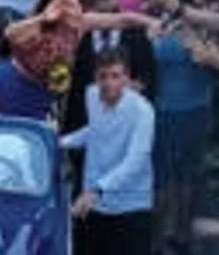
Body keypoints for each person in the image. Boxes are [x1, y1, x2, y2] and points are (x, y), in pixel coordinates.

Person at [0, 0, 162, 120]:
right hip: (17, 83)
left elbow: (122, 20)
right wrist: (43, 18)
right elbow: (9, 33)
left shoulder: (81, 23)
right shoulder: (34, 28)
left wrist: (152, 22)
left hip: (46, 89)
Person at [60, 48, 155, 253]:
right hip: (93, 205)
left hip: (130, 207)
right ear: (96, 77)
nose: (109, 83)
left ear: (127, 78)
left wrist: (98, 190)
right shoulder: (91, 94)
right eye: (103, 76)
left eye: (115, 76)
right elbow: (95, 130)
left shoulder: (143, 111)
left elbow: (136, 160)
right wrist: (59, 142)